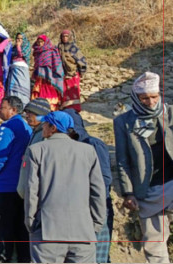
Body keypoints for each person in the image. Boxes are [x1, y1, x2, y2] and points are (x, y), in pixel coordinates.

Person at [23, 111, 106, 263]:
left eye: (45, 125)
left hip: (48, 231)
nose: (42, 128)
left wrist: (31, 222)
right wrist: (96, 224)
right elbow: (98, 191)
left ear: (53, 128)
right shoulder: (88, 151)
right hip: (83, 230)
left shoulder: (37, 150)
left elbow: (32, 190)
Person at [114, 72, 173, 263]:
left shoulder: (170, 113)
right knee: (155, 246)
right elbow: (123, 160)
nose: (150, 102)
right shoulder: (123, 122)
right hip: (147, 191)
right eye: (145, 98)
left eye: (154, 96)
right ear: (136, 98)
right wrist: (128, 193)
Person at [64, 107, 113, 263]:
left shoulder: (93, 144)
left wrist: (95, 205)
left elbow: (104, 178)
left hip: (96, 207)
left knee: (98, 255)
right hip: (78, 209)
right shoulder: (68, 147)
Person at [0, 96, 32, 263]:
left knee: (2, 228)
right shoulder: (27, 127)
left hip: (5, 185)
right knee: (21, 227)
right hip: (21, 185)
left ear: (13, 110)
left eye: (2, 107)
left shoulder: (7, 127)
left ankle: (2, 259)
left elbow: (0, 155)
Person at [16, 97, 52, 199]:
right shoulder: (35, 132)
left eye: (31, 113)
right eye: (26, 112)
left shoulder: (44, 136)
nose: (27, 115)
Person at [31, 35, 64, 111]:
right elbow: (36, 65)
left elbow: (56, 63)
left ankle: (51, 107)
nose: (39, 43)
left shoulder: (51, 50)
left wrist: (55, 74)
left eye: (41, 42)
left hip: (50, 78)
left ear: (45, 42)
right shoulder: (37, 52)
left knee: (50, 92)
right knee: (40, 92)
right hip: (40, 79)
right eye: (38, 42)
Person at [58, 30, 86, 112]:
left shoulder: (73, 47)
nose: (65, 38)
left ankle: (75, 109)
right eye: (63, 36)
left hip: (73, 73)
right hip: (64, 73)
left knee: (74, 92)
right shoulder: (59, 47)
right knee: (65, 92)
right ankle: (66, 108)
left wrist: (82, 70)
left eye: (66, 36)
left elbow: (81, 59)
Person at [6, 33, 31, 107]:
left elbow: (22, 55)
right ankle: (13, 104)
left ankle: (23, 104)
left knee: (21, 86)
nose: (19, 40)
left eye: (21, 38)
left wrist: (19, 46)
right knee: (13, 87)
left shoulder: (26, 47)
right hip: (13, 70)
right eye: (17, 38)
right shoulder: (14, 48)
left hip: (22, 70)